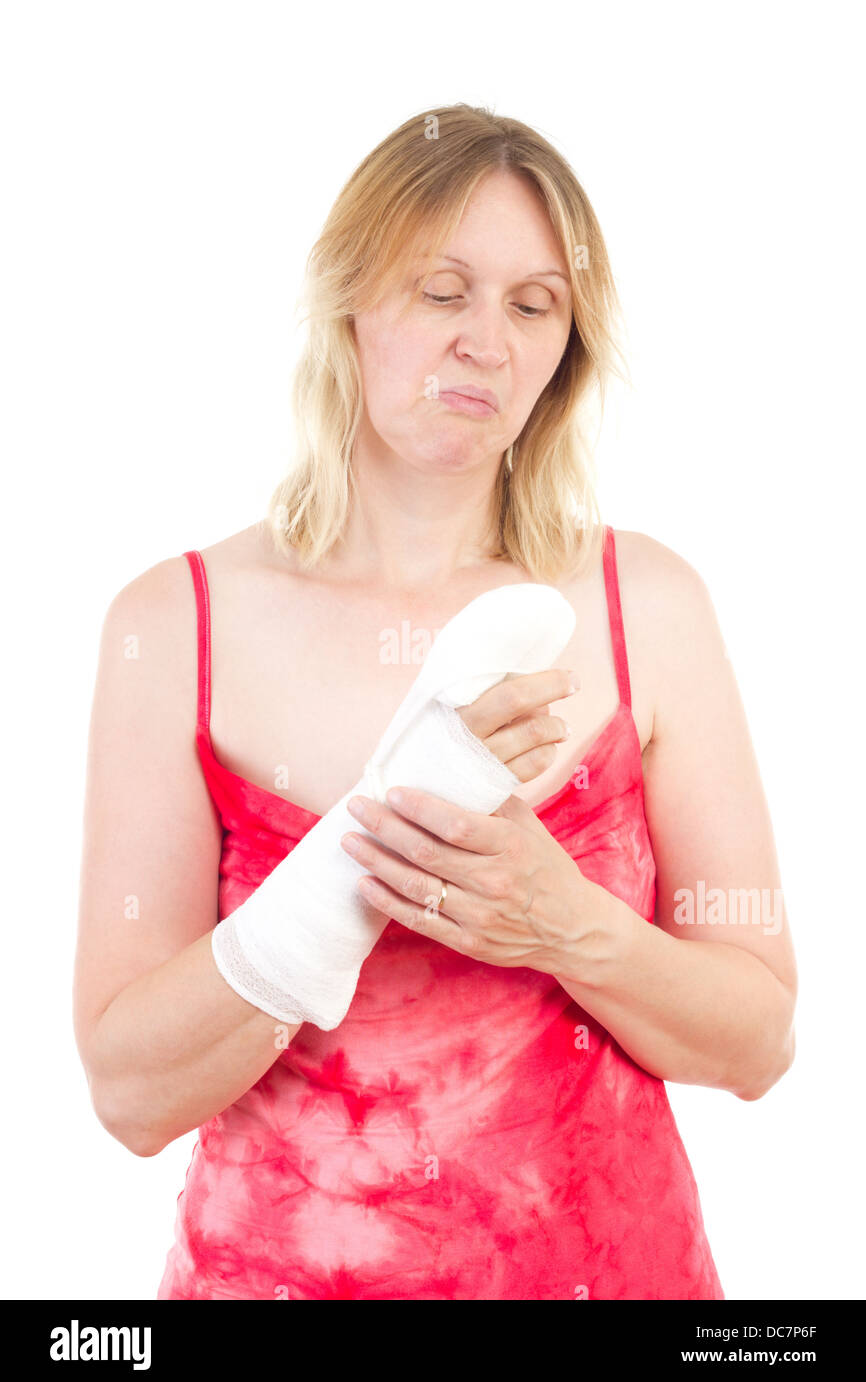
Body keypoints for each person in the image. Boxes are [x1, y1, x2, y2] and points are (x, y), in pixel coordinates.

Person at [73, 103, 797, 1300]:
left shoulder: (643, 601)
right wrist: (346, 877)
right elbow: (126, 1094)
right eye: (441, 289)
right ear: (351, 303)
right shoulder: (173, 622)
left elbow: (759, 1041)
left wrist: (563, 923)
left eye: (533, 304)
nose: (486, 341)